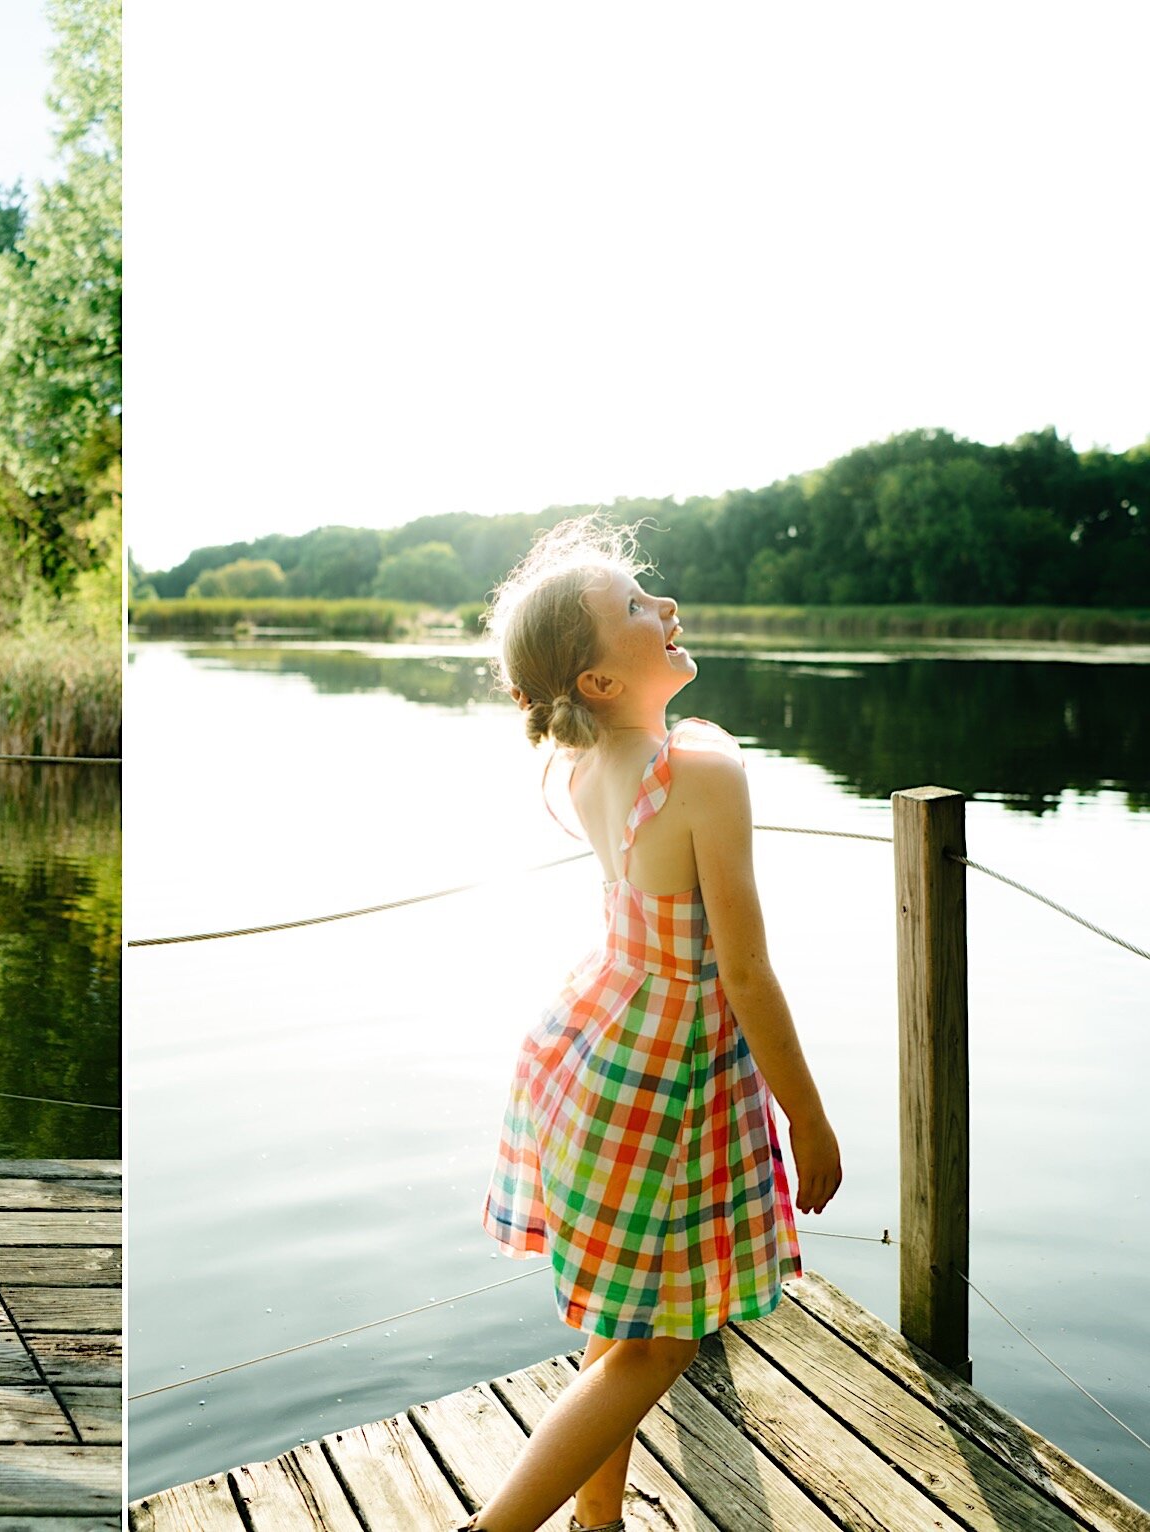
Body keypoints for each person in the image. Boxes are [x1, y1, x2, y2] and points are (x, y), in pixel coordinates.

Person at [460, 516, 843, 1532]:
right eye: (633, 606)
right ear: (594, 680)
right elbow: (746, 973)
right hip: (664, 1075)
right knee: (664, 1336)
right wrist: (806, 1117)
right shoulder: (701, 772)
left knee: (626, 1317)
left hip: (596, 1051)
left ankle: (599, 1518)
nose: (662, 606)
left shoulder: (586, 770)